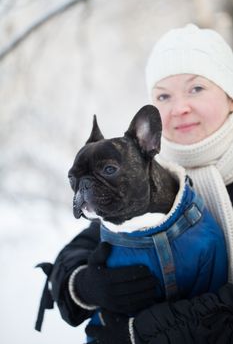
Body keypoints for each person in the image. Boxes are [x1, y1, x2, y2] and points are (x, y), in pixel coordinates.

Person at [35, 24, 233, 343]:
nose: (179, 107)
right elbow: (78, 251)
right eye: (163, 96)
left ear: (230, 94)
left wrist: (137, 332)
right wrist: (83, 284)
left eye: (196, 88)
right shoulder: (151, 183)